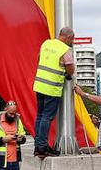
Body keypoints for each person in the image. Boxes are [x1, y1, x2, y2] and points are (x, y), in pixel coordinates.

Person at [32, 26, 75, 157]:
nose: (71, 41)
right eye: (72, 39)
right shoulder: (65, 49)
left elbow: (39, 58)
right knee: (47, 117)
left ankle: (38, 145)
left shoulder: (46, 43)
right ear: (68, 37)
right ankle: (42, 147)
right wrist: (68, 75)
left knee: (39, 116)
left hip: (39, 84)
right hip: (52, 87)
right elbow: (70, 67)